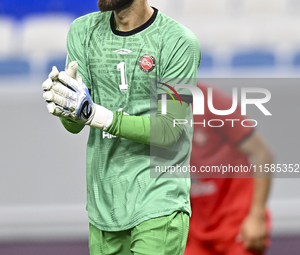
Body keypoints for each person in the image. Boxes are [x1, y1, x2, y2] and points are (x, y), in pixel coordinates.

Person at [42, 0, 200, 254]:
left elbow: (170, 130)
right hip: (104, 204)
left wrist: (99, 116)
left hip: (159, 198)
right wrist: (67, 108)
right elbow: (75, 126)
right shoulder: (82, 31)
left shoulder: (177, 41)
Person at [184, 82, 273, 255]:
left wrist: (257, 217)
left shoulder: (211, 101)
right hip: (196, 228)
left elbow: (263, 154)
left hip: (237, 224)